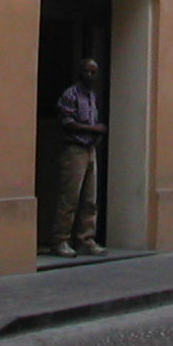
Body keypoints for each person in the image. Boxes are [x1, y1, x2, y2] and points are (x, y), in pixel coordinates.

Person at [52, 58, 107, 258]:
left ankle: (86, 240)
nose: (90, 76)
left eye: (94, 72)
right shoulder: (71, 94)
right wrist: (94, 128)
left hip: (90, 149)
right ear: (80, 72)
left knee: (90, 200)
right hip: (74, 149)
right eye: (87, 71)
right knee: (70, 199)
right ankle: (61, 240)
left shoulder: (92, 96)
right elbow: (66, 122)